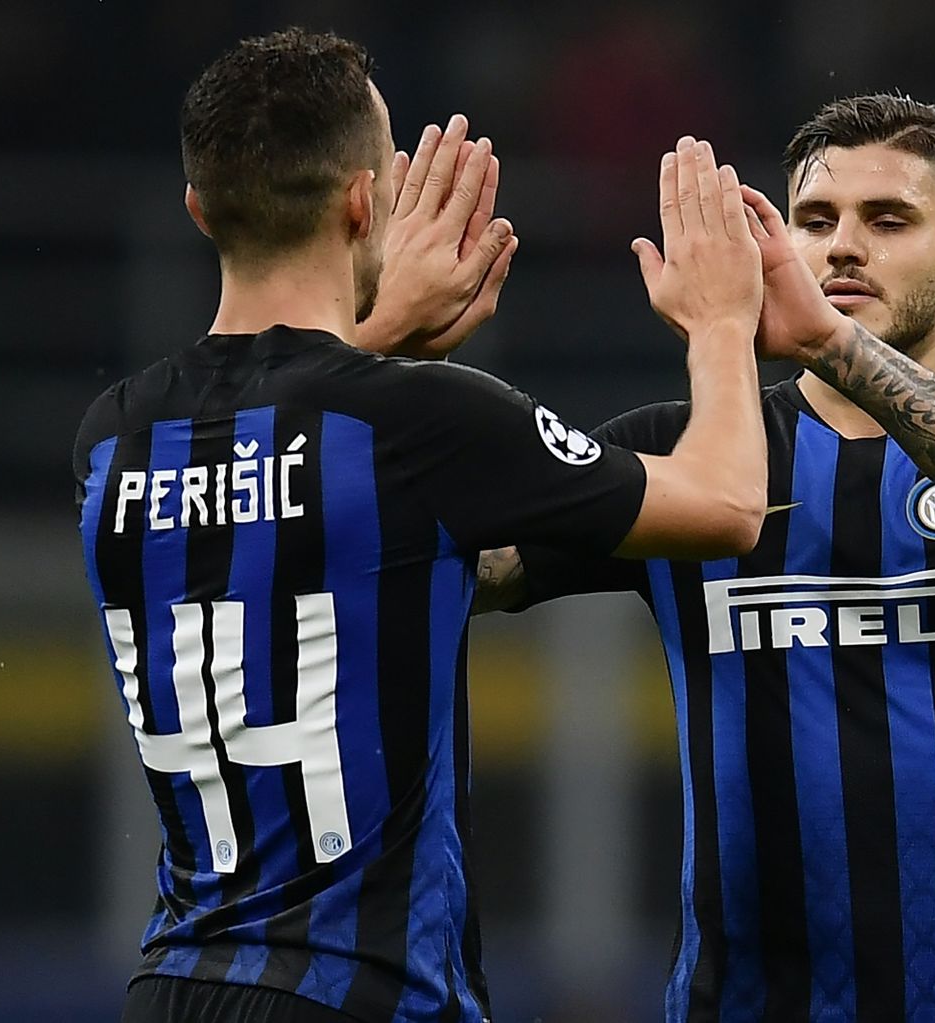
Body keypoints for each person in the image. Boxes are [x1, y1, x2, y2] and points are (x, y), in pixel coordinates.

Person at [73, 27, 777, 1023]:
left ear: (197, 208)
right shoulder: (418, 422)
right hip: (365, 992)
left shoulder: (112, 439)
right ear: (365, 202)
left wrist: (374, 338)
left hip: (172, 986)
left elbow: (279, 485)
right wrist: (721, 322)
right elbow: (729, 505)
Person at [473, 95, 935, 1022]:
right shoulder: (680, 455)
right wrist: (385, 363)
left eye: (889, 220)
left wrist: (829, 340)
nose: (843, 247)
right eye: (816, 220)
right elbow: (463, 569)